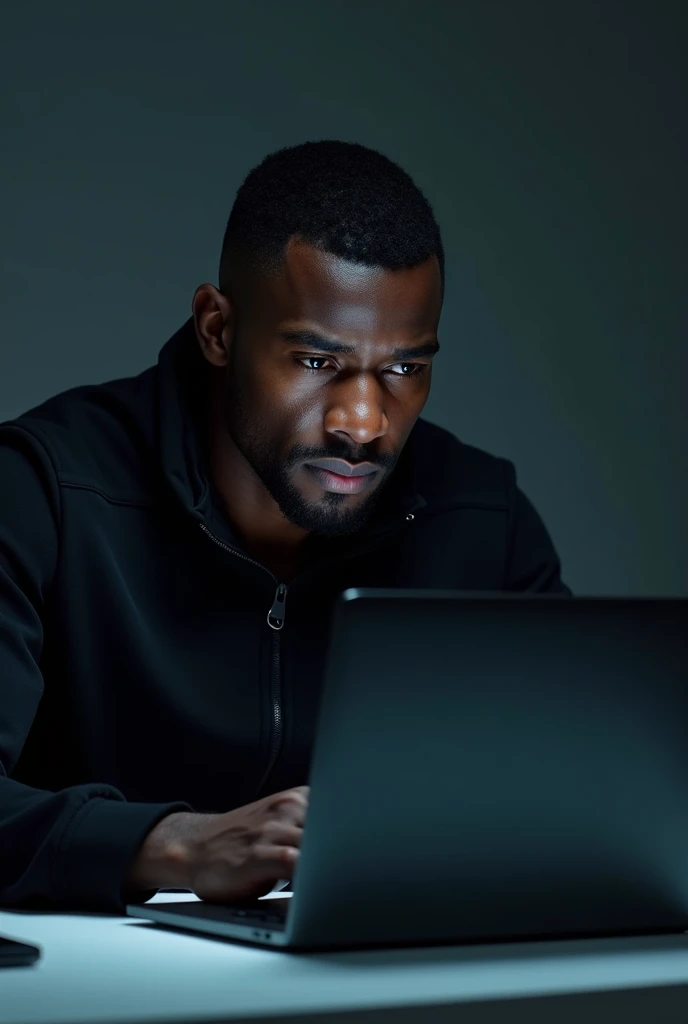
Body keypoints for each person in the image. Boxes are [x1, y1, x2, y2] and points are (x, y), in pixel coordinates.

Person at [0, 141, 570, 913]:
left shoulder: (481, 518)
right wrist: (175, 847)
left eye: (404, 369)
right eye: (314, 361)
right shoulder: (44, 490)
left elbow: (583, 789)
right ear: (217, 329)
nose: (364, 424)